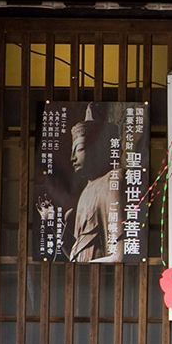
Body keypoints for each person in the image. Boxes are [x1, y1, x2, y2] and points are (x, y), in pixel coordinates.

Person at [65, 106, 124, 263]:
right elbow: (78, 253)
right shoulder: (86, 190)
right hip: (83, 275)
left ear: (99, 148)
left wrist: (84, 266)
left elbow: (119, 255)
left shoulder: (112, 181)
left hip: (104, 276)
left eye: (80, 149)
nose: (73, 158)